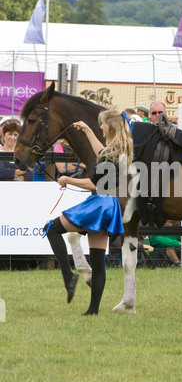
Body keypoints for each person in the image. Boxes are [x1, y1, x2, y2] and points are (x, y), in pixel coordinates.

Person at [43, 109, 133, 315]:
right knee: (98, 261)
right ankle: (93, 311)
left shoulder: (113, 151)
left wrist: (67, 179)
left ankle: (69, 276)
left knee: (51, 229)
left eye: (101, 124)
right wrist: (86, 130)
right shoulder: (119, 149)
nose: (99, 127)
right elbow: (100, 152)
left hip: (99, 203)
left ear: (110, 126)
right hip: (108, 205)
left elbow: (94, 184)